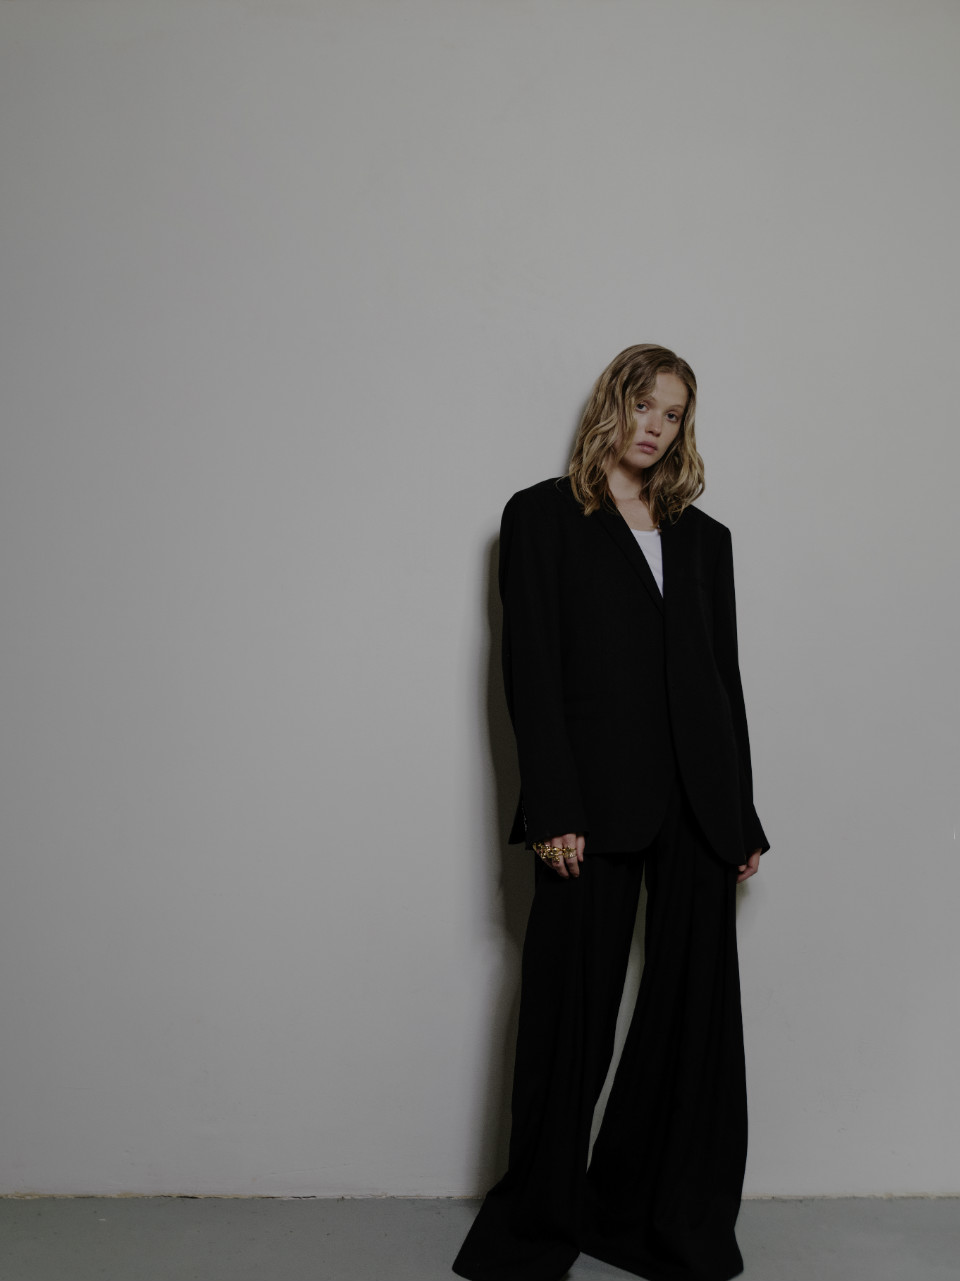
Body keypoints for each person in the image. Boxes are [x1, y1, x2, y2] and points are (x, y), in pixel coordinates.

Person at [453, 344, 769, 1281]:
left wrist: (741, 812)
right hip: (589, 804)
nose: (655, 426)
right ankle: (539, 1222)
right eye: (643, 405)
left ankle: (653, 1216)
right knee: (570, 1010)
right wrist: (552, 804)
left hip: (699, 804)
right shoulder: (543, 516)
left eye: (673, 414)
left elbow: (722, 681)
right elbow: (531, 671)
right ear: (612, 404)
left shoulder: (705, 538)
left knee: (690, 1021)